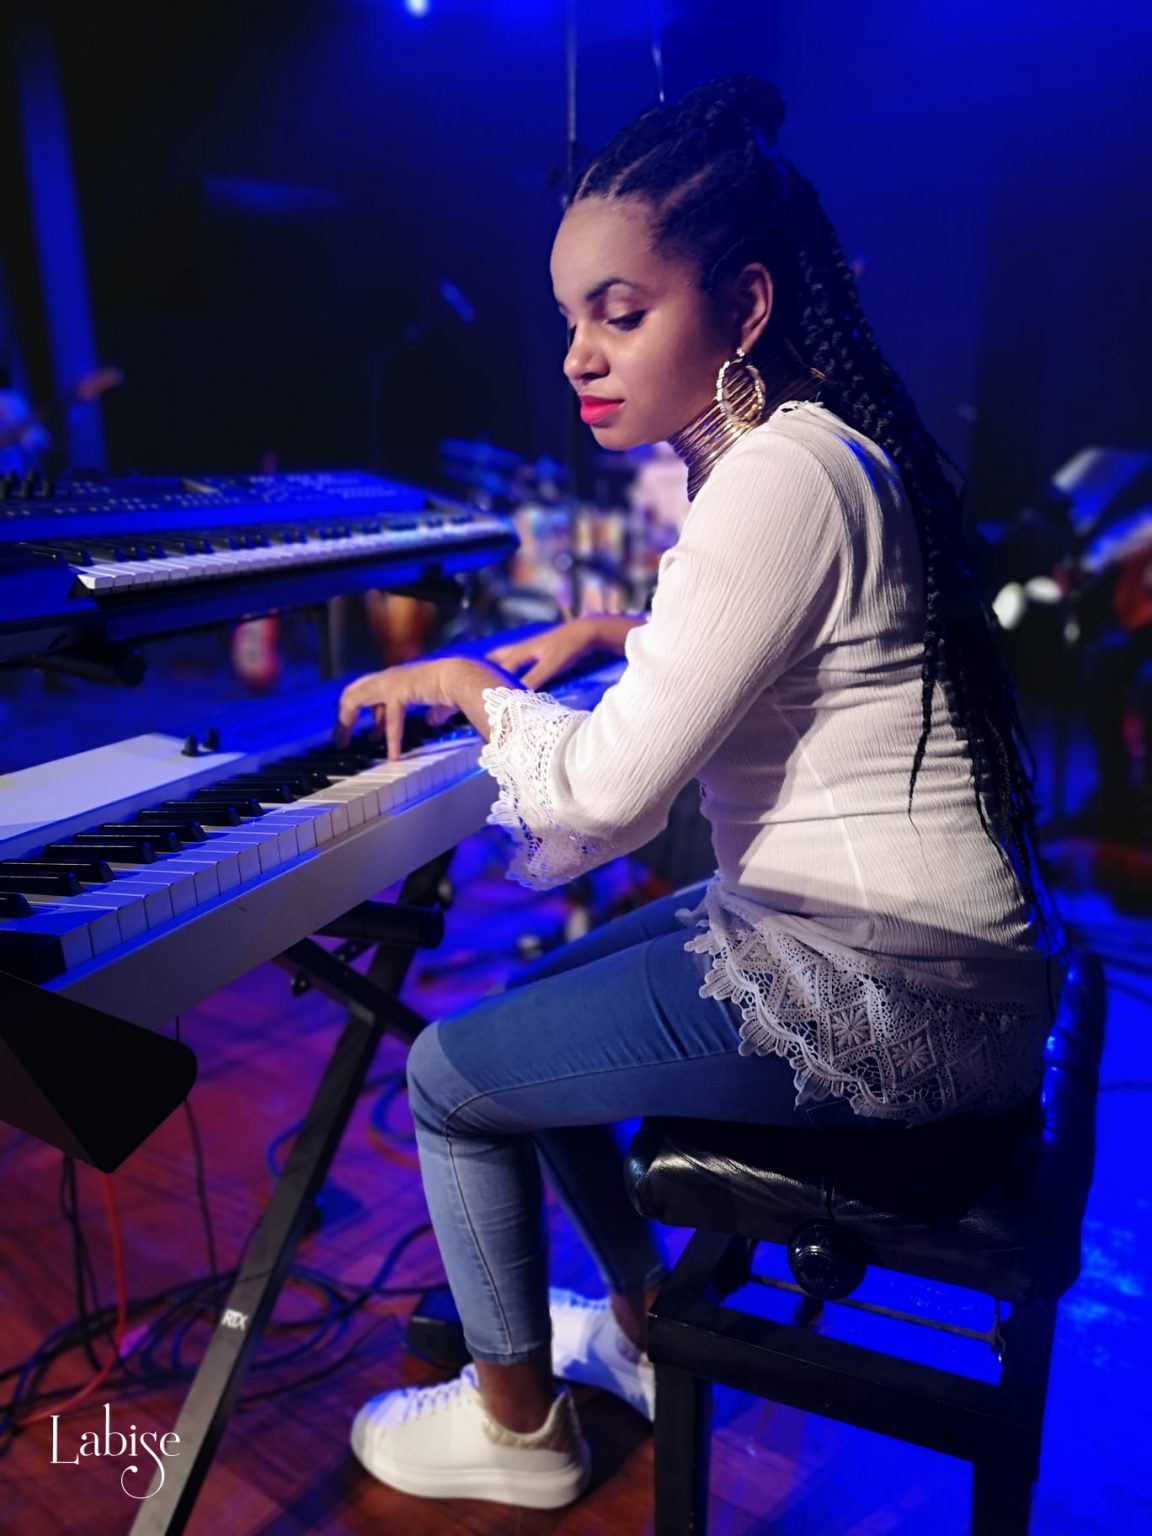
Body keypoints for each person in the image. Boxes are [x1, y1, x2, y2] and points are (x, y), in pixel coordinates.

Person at [332, 73, 1066, 1511]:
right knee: (526, 1017)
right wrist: (609, 634)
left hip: (895, 992)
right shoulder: (815, 451)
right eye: (570, 319)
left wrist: (473, 686)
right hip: (907, 950)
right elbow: (793, 648)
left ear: (742, 307)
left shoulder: (773, 480)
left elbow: (604, 797)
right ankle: (638, 1324)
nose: (580, 357)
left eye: (620, 313)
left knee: (448, 1074)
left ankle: (516, 1432)